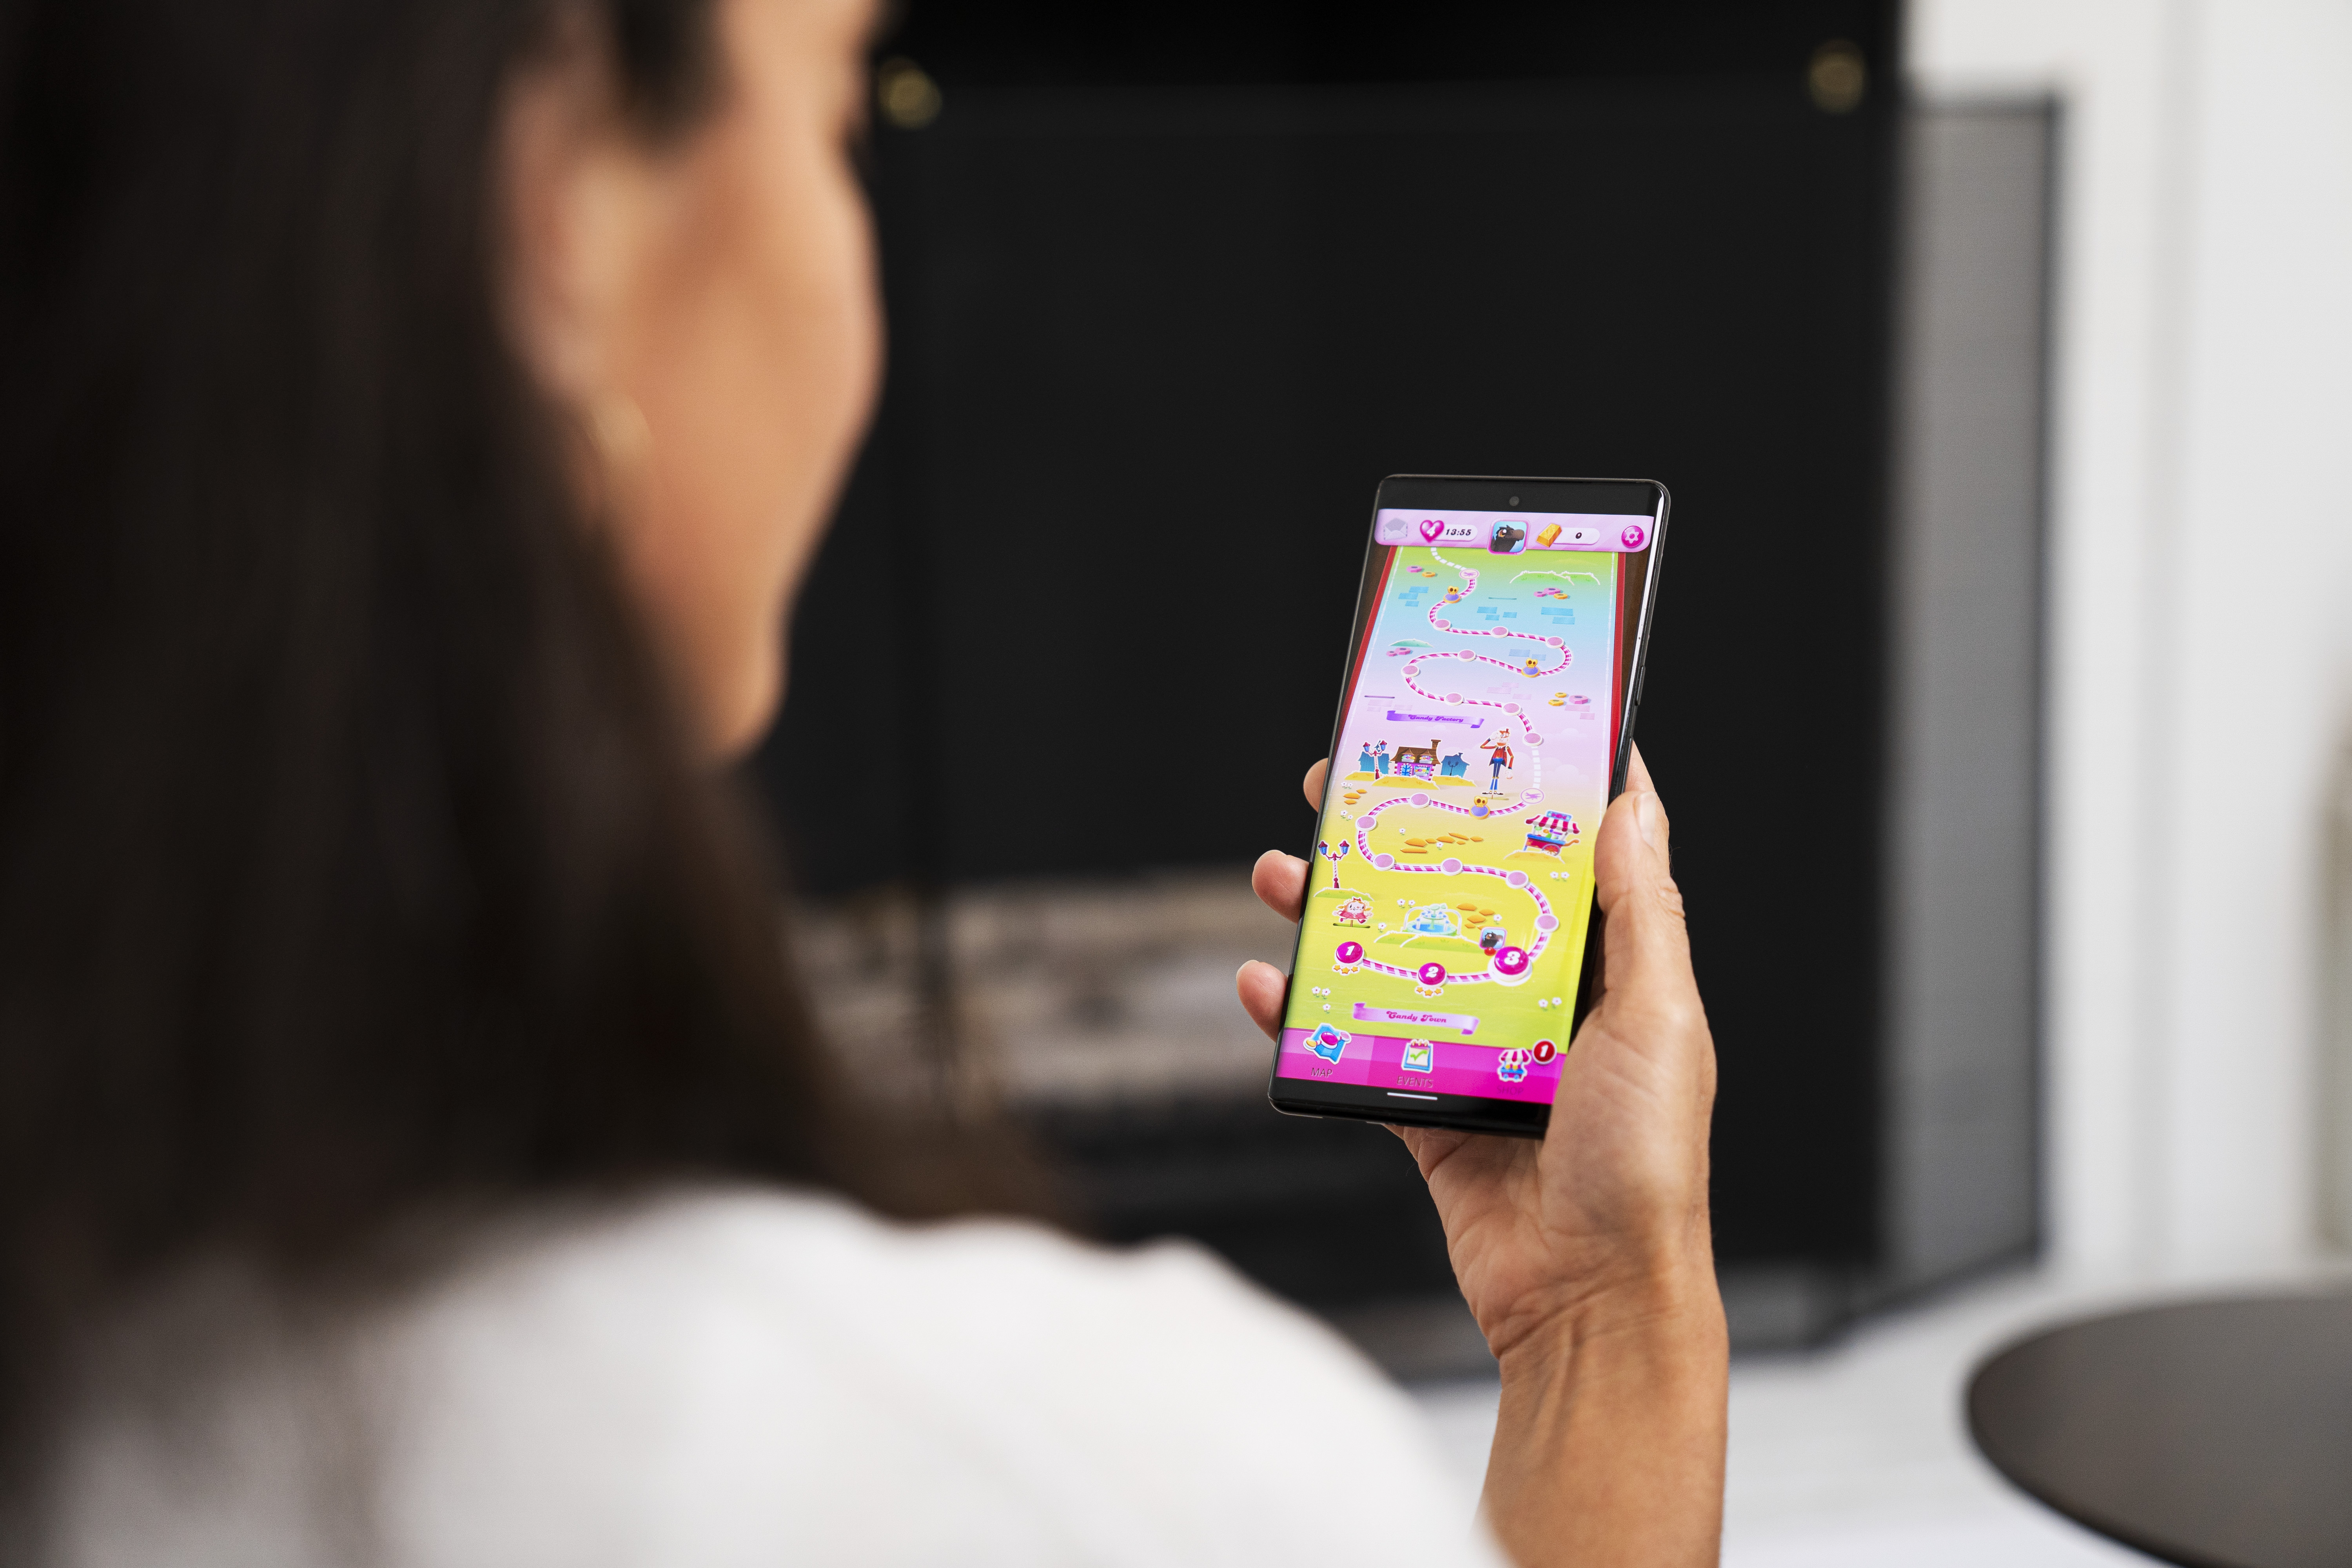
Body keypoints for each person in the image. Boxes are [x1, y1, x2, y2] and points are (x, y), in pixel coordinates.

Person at [0, 0, 1726, 1563]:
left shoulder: (100, 1357)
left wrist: (1591, 1312)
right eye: (836, 123)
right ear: (563, 217)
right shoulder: (1098, 1485)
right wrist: (1617, 1308)